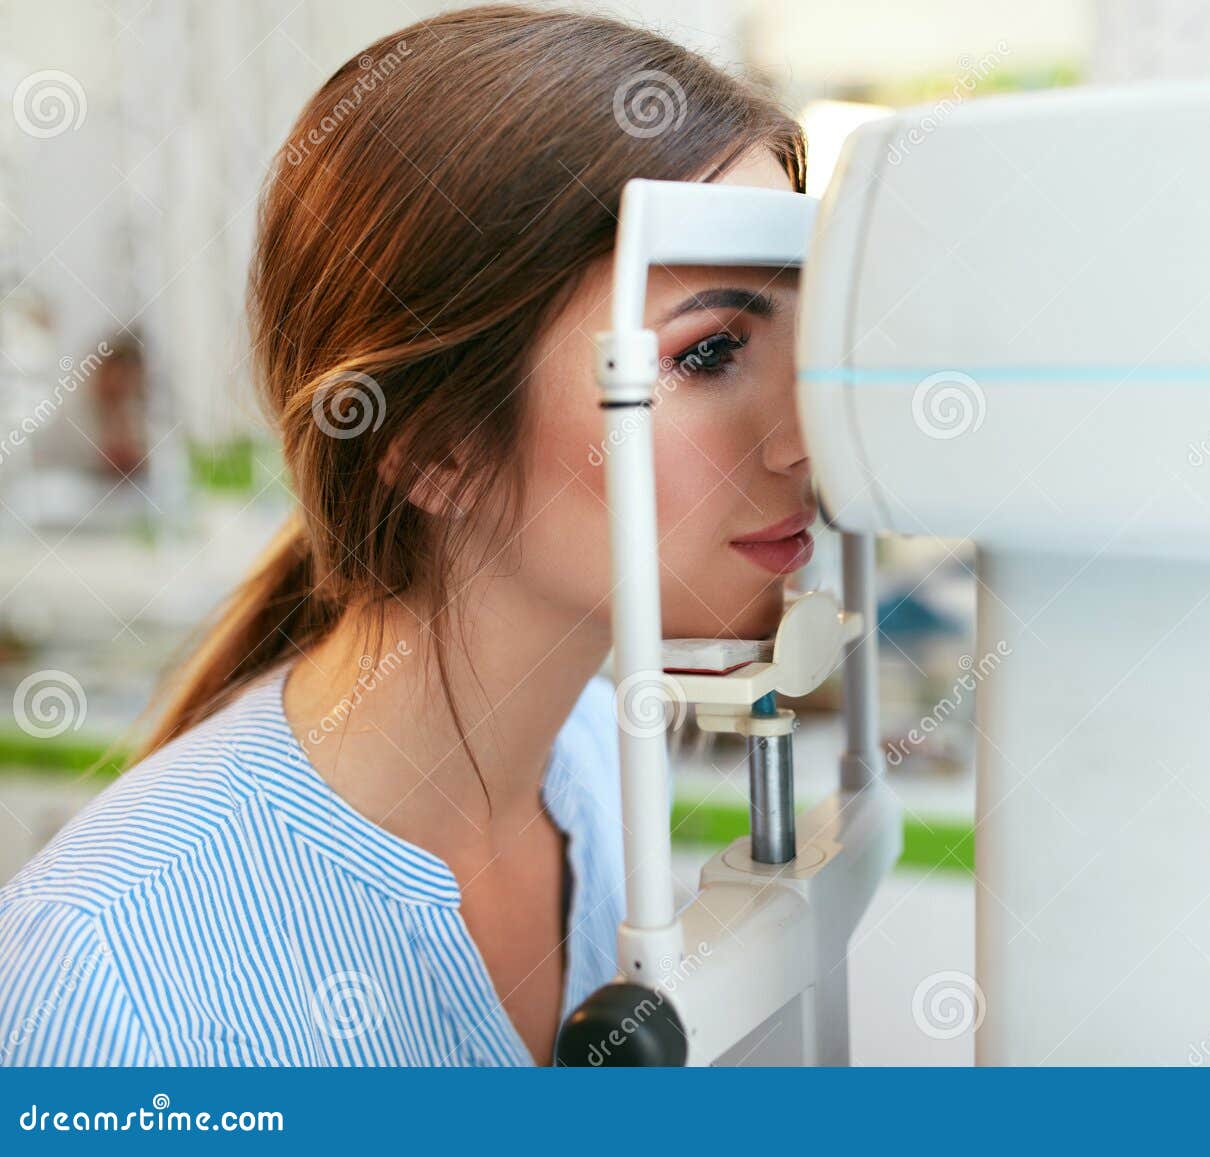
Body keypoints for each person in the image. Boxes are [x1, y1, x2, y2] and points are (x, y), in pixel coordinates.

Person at [0, 3, 814, 1066]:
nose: (804, 438)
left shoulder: (596, 763)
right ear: (432, 446)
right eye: (708, 353)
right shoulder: (103, 979)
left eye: (804, 337)